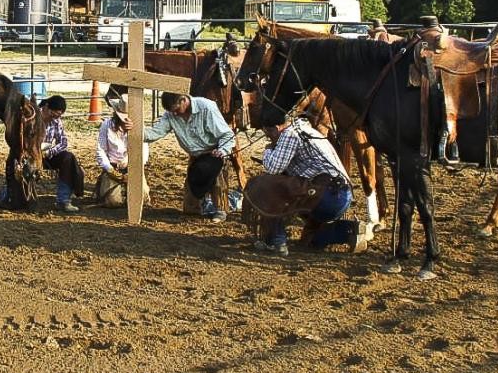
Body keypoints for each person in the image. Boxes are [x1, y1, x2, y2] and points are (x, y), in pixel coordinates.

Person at [243, 116, 367, 256]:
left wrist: (267, 150)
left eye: (268, 134)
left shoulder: (290, 134)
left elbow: (273, 168)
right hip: (338, 196)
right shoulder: (305, 129)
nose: (270, 139)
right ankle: (349, 231)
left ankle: (276, 240)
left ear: (276, 129)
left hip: (325, 194)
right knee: (310, 239)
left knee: (267, 184)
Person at [136, 92, 236, 222]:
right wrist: (135, 129)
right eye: (173, 112)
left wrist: (222, 150)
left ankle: (220, 209)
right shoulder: (171, 115)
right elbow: (154, 133)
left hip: (214, 153)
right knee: (190, 207)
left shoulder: (206, 107)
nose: (175, 114)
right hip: (195, 157)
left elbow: (227, 134)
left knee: (216, 178)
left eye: (177, 110)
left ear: (184, 100)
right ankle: (200, 206)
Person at [94, 95, 150, 207]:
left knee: (142, 199)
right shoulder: (106, 125)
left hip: (133, 167)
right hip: (113, 167)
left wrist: (134, 169)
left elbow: (144, 152)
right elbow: (101, 150)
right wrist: (109, 169)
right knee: (113, 201)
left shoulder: (140, 127)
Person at [39, 95, 84, 212]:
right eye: (53, 114)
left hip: (46, 154)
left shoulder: (56, 121)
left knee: (68, 158)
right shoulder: (33, 117)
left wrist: (49, 152)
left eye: (58, 116)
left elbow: (63, 142)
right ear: (46, 107)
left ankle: (63, 200)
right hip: (29, 153)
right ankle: (11, 194)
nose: (54, 117)